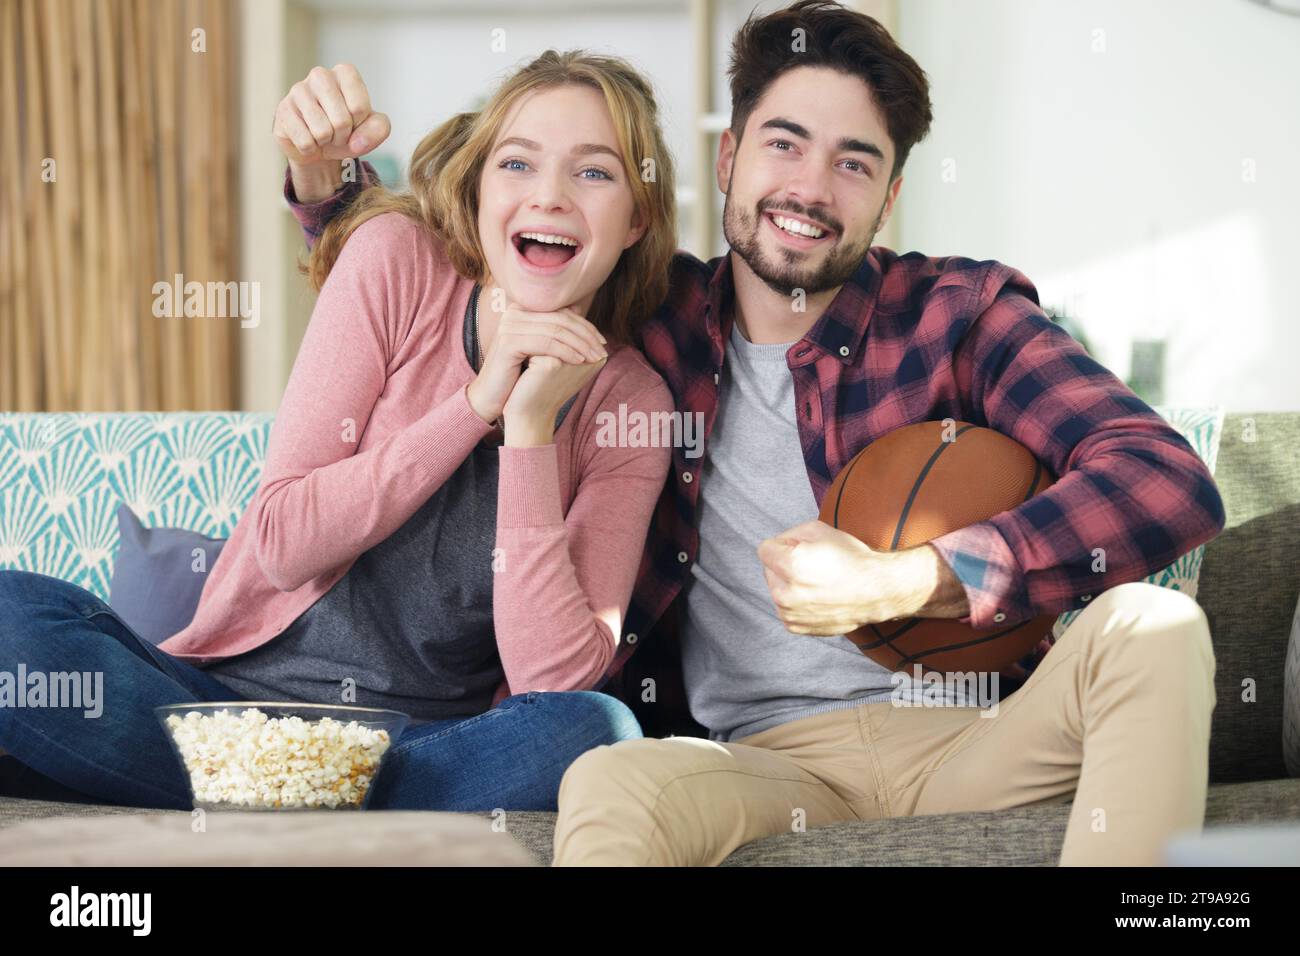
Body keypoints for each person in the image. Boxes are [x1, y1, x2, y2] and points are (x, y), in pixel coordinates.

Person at [283, 1, 1226, 865]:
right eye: (786, 144)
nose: (811, 187)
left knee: (1156, 625)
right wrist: (329, 185)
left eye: (854, 161)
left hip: (980, 734)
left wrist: (914, 579)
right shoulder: (648, 326)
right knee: (607, 772)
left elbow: (1164, 478)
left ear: (888, 197)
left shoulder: (958, 316)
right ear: (730, 158)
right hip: (761, 764)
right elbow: (488, 252)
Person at [0, 49, 678, 813]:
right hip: (212, 704)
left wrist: (528, 431)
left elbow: (550, 681)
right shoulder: (397, 261)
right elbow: (283, 541)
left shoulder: (633, 405)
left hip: (412, 740)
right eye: (517, 164)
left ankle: (229, 792)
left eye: (594, 173)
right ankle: (312, 795)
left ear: (636, 220)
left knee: (595, 730)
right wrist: (475, 406)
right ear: (479, 188)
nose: (549, 197)